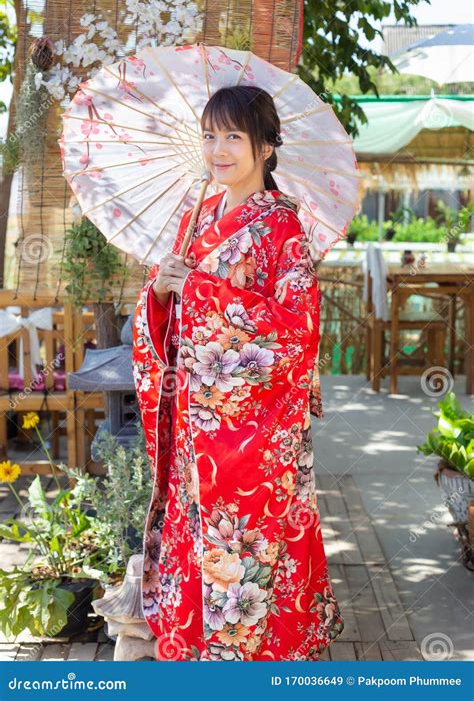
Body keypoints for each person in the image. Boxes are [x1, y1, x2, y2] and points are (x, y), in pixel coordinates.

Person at [132, 85, 344, 661]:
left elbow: (296, 330)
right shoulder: (198, 216)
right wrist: (159, 292)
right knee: (196, 540)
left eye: (232, 136)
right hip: (197, 428)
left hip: (255, 436)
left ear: (267, 147)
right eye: (209, 135)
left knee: (251, 551)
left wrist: (197, 288)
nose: (217, 149)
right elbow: (168, 317)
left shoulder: (283, 230)